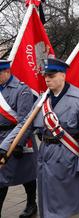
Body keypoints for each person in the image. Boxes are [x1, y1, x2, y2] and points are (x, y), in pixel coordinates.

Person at [0, 58, 79, 218]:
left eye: (51, 75)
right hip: (46, 156)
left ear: (63, 75)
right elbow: (25, 124)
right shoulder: (42, 100)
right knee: (49, 200)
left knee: (76, 199)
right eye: (45, 76)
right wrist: (5, 147)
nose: (47, 79)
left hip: (68, 157)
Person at [0, 60, 37, 218]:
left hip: (16, 137)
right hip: (1, 137)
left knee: (27, 175)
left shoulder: (22, 90)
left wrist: (18, 144)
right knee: (1, 177)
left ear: (7, 72)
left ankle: (31, 203)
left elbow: (25, 121)